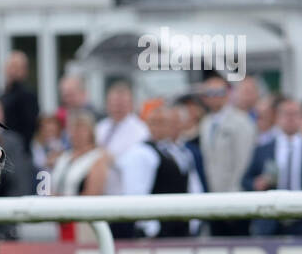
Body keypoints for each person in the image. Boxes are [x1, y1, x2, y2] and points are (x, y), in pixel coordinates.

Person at [241, 97, 302, 236]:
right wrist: (256, 184)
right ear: (277, 118)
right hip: (270, 221)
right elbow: (245, 181)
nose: (290, 118)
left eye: (294, 114)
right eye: (285, 114)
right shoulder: (262, 150)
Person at [114, 104, 203, 238]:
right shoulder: (141, 153)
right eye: (155, 122)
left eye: (165, 122)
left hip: (181, 229)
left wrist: (194, 222)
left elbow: (193, 188)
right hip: (158, 233)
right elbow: (135, 194)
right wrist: (151, 229)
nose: (160, 127)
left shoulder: (181, 152)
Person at [198, 73, 257, 235]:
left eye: (219, 92)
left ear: (228, 94)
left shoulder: (241, 121)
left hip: (236, 200)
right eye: (209, 93)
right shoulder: (206, 123)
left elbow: (244, 161)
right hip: (213, 200)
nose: (214, 97)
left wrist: (233, 196)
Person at [49, 109, 110, 243]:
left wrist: (64, 206)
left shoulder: (98, 158)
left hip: (83, 224)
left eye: (81, 128)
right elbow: (52, 187)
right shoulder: (64, 157)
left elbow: (92, 194)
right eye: (74, 128)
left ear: (90, 132)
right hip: (59, 221)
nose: (77, 133)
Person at [95, 80, 148, 194]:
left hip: (123, 191)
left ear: (131, 104)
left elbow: (138, 162)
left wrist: (112, 159)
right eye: (114, 103)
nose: (117, 107)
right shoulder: (101, 127)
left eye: (121, 104)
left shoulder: (141, 131)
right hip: (100, 190)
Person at [0, 51, 39, 151]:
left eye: (17, 67)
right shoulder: (3, 94)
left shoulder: (28, 96)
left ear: (25, 71)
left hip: (19, 150)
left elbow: (30, 127)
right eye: (11, 66)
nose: (13, 71)